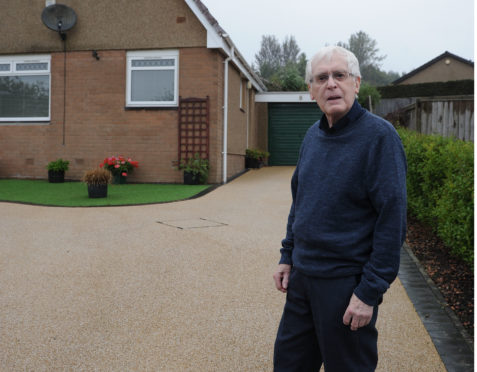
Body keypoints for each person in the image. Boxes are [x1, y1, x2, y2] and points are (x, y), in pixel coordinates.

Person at [273, 45, 407, 372]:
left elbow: (393, 222)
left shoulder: (379, 138)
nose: (331, 83)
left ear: (356, 83)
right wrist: (288, 255)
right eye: (321, 77)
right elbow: (300, 202)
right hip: (302, 281)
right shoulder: (311, 137)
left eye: (340, 75)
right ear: (311, 90)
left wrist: (369, 293)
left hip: (347, 286)